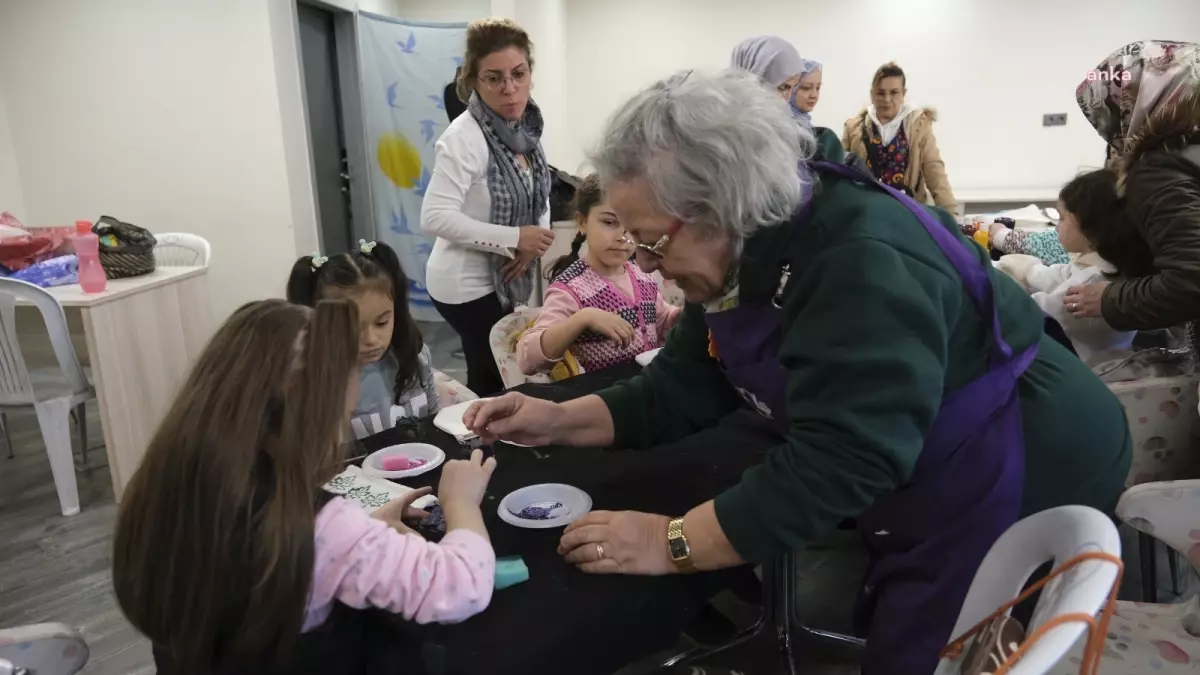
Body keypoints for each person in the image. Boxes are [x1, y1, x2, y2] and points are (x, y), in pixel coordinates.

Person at [463, 70, 1130, 674]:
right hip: (920, 443)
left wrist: (670, 542)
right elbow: (679, 386)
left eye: (651, 240)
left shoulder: (858, 260)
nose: (642, 262)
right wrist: (556, 416)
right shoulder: (737, 257)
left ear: (721, 207)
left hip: (1025, 449)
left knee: (933, 648)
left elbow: (840, 460)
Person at [111, 299, 498, 675]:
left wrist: (365, 530)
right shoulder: (320, 529)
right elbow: (462, 586)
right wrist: (459, 502)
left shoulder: (167, 486)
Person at [421, 17, 555, 396]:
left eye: (519, 74)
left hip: (506, 274)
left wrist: (533, 245)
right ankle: (499, 445)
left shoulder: (526, 127)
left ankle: (477, 442)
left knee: (485, 375)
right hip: (464, 284)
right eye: (494, 78)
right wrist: (515, 238)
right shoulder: (463, 137)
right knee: (506, 377)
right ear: (474, 81)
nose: (510, 90)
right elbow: (434, 217)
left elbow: (539, 195)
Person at [1064, 40, 1200, 332]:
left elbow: (1190, 283)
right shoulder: (1187, 150)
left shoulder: (1161, 168)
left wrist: (1109, 299)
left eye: (1108, 112)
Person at [517, 174, 682, 376]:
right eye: (609, 222)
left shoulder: (643, 275)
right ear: (582, 222)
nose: (622, 237)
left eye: (631, 228)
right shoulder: (570, 289)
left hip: (647, 390)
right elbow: (528, 359)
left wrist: (685, 313)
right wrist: (582, 319)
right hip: (603, 399)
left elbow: (662, 320)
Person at [286, 240, 445, 440]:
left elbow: (435, 424)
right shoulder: (309, 382)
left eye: (382, 323)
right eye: (352, 328)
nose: (371, 340)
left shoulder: (415, 356)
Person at [995, 169, 1135, 368]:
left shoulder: (1089, 285)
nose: (1057, 227)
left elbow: (1030, 310)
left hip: (1085, 371)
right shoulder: (1104, 266)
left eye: (1061, 218)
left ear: (1089, 228)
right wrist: (1025, 270)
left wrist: (992, 282)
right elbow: (1055, 276)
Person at [842, 61, 956, 211]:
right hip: (865, 214)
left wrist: (951, 218)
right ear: (872, 94)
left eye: (894, 92)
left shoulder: (919, 127)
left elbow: (935, 173)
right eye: (880, 93)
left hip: (907, 214)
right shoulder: (854, 128)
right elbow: (840, 175)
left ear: (903, 94)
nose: (887, 99)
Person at [728, 36, 838, 157]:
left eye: (792, 87)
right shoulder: (722, 131)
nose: (787, 99)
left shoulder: (782, 128)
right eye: (783, 87)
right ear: (756, 75)